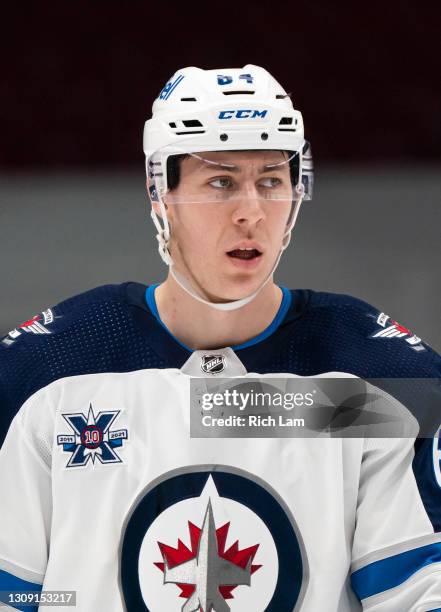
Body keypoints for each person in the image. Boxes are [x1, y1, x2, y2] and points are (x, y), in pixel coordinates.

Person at [0, 65, 440, 611]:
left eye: (272, 180)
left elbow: (419, 590)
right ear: (160, 191)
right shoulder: (45, 372)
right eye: (221, 182)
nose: (251, 212)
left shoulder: (375, 376)